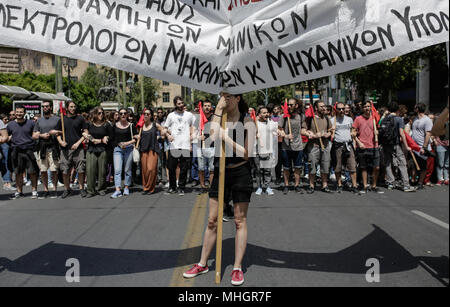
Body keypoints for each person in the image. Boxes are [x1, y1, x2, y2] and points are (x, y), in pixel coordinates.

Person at [183, 93, 255, 286]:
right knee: (212, 220)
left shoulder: (247, 120)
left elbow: (248, 154)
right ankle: (202, 263)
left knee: (239, 221)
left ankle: (237, 268)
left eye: (228, 97)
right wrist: (218, 110)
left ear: (238, 98)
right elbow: (212, 135)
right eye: (222, 96)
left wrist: (227, 138)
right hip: (220, 172)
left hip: (240, 172)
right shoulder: (220, 117)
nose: (224, 99)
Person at [378, 102, 415, 192]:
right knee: (402, 163)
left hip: (386, 144)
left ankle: (391, 183)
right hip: (395, 144)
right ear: (397, 109)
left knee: (388, 162)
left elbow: (380, 129)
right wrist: (406, 146)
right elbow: (402, 133)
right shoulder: (399, 119)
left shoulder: (384, 119)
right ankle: (406, 185)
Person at [56, 101, 89, 198]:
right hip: (65, 149)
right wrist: (61, 142)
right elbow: (58, 134)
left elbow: (86, 132)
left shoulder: (80, 119)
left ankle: (81, 188)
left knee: (81, 169)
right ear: (67, 108)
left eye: (74, 106)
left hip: (78, 148)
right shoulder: (62, 119)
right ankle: (67, 189)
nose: (73, 108)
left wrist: (78, 142)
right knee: (65, 170)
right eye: (71, 107)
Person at [6, 106, 40, 199]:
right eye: (17, 112)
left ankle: (34, 191)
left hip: (28, 150)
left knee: (32, 172)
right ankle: (19, 191)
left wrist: (37, 135)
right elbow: (6, 136)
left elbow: (36, 133)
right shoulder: (10, 124)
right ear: (15, 113)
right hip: (16, 151)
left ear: (24, 113)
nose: (19, 114)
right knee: (18, 173)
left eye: (21, 112)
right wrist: (9, 138)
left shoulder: (31, 123)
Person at [164, 96, 195, 195]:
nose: (181, 105)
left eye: (182, 103)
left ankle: (181, 187)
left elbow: (194, 126)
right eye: (179, 104)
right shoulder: (171, 115)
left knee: (184, 168)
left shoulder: (189, 115)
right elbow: (164, 128)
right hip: (174, 145)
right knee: (171, 167)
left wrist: (192, 137)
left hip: (185, 145)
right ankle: (172, 187)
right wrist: (168, 135)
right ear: (175, 105)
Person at [352, 101, 383, 194]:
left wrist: (377, 132)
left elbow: (379, 128)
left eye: (369, 106)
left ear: (371, 107)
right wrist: (358, 143)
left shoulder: (374, 118)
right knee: (363, 167)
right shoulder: (358, 119)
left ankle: (374, 185)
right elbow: (353, 133)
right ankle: (365, 185)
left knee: (376, 167)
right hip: (363, 147)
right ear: (362, 108)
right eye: (365, 106)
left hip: (374, 146)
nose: (367, 108)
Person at [302, 101, 333, 193]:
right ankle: (311, 185)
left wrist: (328, 134)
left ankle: (324, 185)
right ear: (316, 108)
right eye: (322, 106)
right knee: (312, 166)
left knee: (325, 166)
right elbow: (303, 131)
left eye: (324, 106)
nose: (324, 108)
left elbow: (330, 130)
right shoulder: (310, 118)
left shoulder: (326, 118)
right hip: (313, 146)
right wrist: (313, 135)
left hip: (325, 146)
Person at [34, 101, 62, 198]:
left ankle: (54, 189)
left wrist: (56, 131)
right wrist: (42, 135)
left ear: (50, 107)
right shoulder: (39, 121)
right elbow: (34, 135)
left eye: (46, 106)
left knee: (54, 170)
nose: (45, 108)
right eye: (43, 107)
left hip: (54, 147)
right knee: (43, 170)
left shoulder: (57, 119)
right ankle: (45, 190)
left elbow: (63, 132)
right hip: (42, 148)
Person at [111, 108, 139, 198]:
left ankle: (126, 187)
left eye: (125, 113)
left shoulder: (131, 126)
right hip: (118, 150)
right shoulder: (114, 126)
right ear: (118, 115)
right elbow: (112, 139)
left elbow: (135, 139)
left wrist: (127, 143)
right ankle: (118, 189)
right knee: (117, 170)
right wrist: (119, 144)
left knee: (127, 169)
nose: (123, 115)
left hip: (129, 149)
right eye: (121, 113)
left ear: (127, 115)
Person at [278, 98, 305, 194]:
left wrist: (308, 133)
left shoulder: (301, 116)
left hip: (298, 146)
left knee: (297, 167)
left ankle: (296, 185)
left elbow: (302, 130)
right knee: (286, 168)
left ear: (296, 105)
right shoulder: (283, 116)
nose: (289, 107)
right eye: (288, 105)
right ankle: (286, 185)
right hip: (286, 147)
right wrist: (285, 135)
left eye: (291, 105)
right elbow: (279, 129)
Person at [331, 102, 359, 194]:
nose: (342, 110)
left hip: (348, 145)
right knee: (337, 167)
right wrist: (331, 131)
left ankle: (354, 185)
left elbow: (354, 131)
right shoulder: (332, 120)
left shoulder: (349, 119)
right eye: (339, 109)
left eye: (343, 108)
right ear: (336, 110)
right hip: (338, 146)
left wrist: (354, 135)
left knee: (352, 166)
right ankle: (339, 185)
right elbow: (329, 134)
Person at [85, 107, 113, 197]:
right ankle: (90, 190)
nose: (101, 115)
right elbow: (85, 133)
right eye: (99, 113)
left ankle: (102, 188)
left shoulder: (106, 125)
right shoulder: (89, 124)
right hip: (91, 150)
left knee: (102, 170)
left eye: (102, 113)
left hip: (103, 150)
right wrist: (93, 139)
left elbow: (111, 136)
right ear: (95, 114)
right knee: (90, 170)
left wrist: (105, 138)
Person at [139, 108, 167, 194]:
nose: (146, 115)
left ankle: (151, 188)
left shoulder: (155, 125)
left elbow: (163, 130)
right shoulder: (141, 126)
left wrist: (165, 134)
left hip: (153, 149)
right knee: (145, 170)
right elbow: (138, 137)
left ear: (151, 116)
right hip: (143, 150)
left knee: (151, 169)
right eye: (144, 114)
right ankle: (146, 187)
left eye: (148, 114)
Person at [254, 106, 278, 195]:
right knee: (258, 170)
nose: (266, 114)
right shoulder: (255, 124)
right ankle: (259, 187)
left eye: (267, 112)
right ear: (259, 114)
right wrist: (255, 135)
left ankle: (267, 187)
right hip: (257, 150)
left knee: (267, 170)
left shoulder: (271, 123)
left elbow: (276, 131)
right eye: (264, 113)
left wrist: (281, 133)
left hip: (268, 150)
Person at [411, 103, 434, 190]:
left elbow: (428, 134)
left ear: (418, 108)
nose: (414, 108)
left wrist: (424, 147)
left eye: (415, 107)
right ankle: (413, 180)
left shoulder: (427, 120)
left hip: (422, 147)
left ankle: (420, 182)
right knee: (413, 164)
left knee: (423, 166)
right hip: (414, 146)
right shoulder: (415, 119)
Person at [196, 100, 215, 194]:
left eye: (209, 106)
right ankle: (202, 186)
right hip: (200, 146)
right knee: (201, 168)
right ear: (202, 107)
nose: (207, 107)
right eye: (205, 106)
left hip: (212, 146)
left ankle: (211, 186)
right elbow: (192, 131)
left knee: (212, 168)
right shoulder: (199, 118)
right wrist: (198, 137)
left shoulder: (215, 118)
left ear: (211, 107)